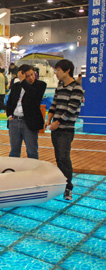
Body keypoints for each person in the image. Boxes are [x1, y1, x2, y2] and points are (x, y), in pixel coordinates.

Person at [45, 59, 83, 201]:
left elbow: (72, 108)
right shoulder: (60, 86)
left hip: (66, 129)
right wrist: (49, 119)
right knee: (58, 157)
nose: (56, 73)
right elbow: (54, 104)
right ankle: (61, 184)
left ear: (67, 70)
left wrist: (58, 122)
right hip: (56, 127)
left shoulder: (76, 88)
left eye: (58, 70)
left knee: (64, 157)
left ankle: (68, 188)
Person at [6, 64, 47, 160]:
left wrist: (23, 81)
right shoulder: (16, 86)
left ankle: (33, 173)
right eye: (28, 76)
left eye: (32, 74)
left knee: (32, 151)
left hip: (29, 122)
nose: (31, 78)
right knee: (14, 151)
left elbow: (35, 97)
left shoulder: (40, 85)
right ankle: (13, 171)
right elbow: (10, 102)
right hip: (15, 121)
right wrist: (9, 116)